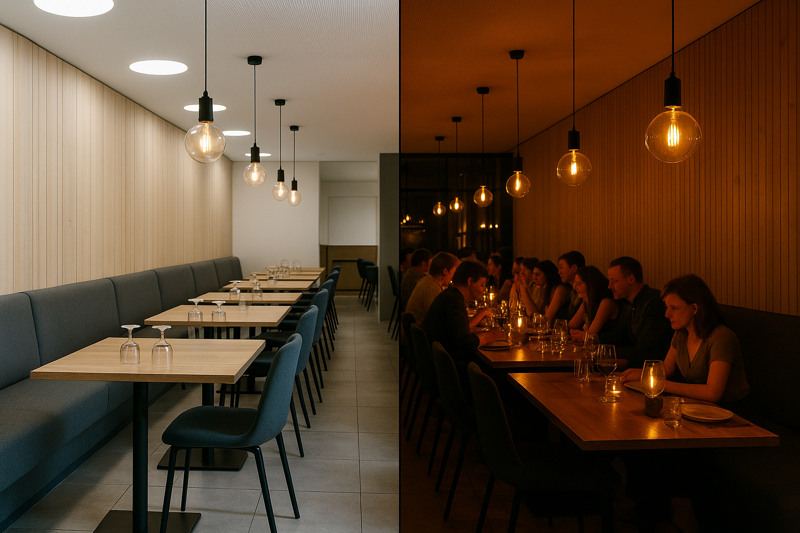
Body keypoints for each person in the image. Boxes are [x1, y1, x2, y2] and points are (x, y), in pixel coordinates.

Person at [620, 274, 749, 405]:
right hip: (698, 405)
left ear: (695, 308)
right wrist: (642, 374)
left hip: (731, 409)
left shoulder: (722, 337)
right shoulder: (681, 333)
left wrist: (662, 384)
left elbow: (712, 393)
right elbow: (667, 369)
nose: (667, 314)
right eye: (666, 307)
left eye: (674, 308)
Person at [422, 260, 505, 360]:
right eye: (482, 285)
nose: (483, 290)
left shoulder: (450, 295)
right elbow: (462, 345)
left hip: (436, 358)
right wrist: (491, 336)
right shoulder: (453, 301)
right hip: (444, 363)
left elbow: (457, 332)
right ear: (470, 281)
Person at [600, 256, 673, 369]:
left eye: (614, 281)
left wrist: (609, 353)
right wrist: (592, 342)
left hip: (652, 370)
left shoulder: (655, 303)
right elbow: (619, 335)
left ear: (631, 279)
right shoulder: (629, 303)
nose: (609, 286)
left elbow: (646, 350)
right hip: (636, 365)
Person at [568, 266, 620, 341]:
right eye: (575, 283)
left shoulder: (606, 303)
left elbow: (590, 335)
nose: (574, 287)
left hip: (608, 347)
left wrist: (581, 335)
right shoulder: (587, 301)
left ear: (591, 285)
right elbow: (571, 326)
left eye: (578, 283)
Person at [405, 252, 460, 324]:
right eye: (454, 271)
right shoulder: (430, 288)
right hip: (422, 329)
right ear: (445, 271)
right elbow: (439, 319)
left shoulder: (428, 282)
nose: (453, 276)